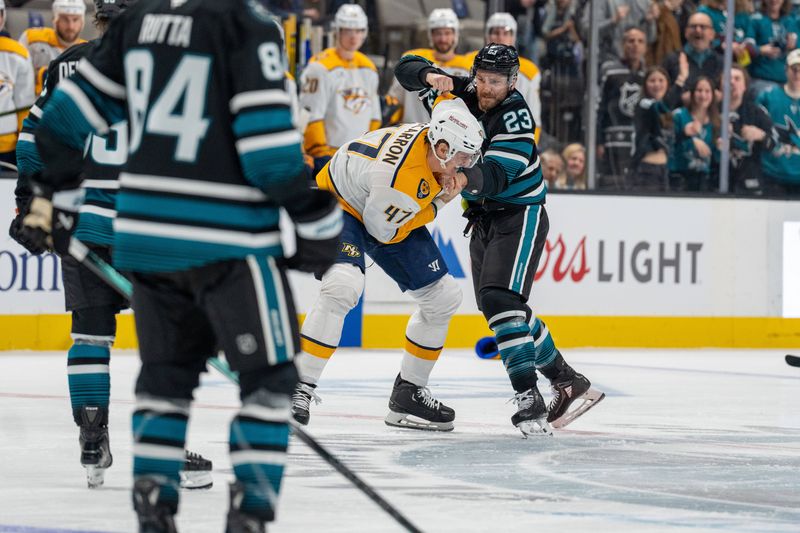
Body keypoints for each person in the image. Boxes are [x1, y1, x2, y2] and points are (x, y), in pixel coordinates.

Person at [18, 0, 343, 530]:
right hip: (227, 240)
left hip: (148, 239)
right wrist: (317, 226)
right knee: (271, 379)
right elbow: (267, 151)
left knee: (164, 379)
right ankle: (250, 514)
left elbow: (60, 125)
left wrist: (40, 197)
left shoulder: (135, 29)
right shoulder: (247, 26)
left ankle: (153, 505)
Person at [10, 0, 215, 492]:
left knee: (90, 334)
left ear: (99, 17)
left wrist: (29, 202)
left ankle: (91, 438)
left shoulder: (67, 64)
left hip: (82, 223)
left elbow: (34, 137)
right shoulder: (174, 64)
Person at [394, 44, 604, 436]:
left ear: (512, 82)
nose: (486, 88)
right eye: (482, 79)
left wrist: (460, 179)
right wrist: (429, 76)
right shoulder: (463, 91)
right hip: (483, 217)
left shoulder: (517, 120)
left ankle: (528, 397)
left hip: (518, 214)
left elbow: (494, 176)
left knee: (500, 301)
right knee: (502, 311)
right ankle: (567, 380)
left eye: (496, 81)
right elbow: (404, 67)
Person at [291, 100, 484, 431]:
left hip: (378, 202)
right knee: (343, 286)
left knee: (443, 298)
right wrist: (438, 203)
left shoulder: (433, 147)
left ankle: (409, 393)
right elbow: (383, 230)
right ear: (441, 148)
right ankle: (298, 387)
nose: (467, 165)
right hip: (339, 202)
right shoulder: (400, 180)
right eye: (462, 157)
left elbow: (446, 103)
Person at [300, 3, 380, 173]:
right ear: (338, 31)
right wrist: (320, 153)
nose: (353, 37)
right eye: (348, 30)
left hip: (360, 157)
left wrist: (372, 150)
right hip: (330, 156)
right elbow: (310, 115)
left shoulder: (368, 67)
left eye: (358, 31)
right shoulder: (320, 66)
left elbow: (374, 115)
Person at [384, 8, 471, 125]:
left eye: (447, 33)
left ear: (455, 35)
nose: (443, 39)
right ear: (431, 35)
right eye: (438, 33)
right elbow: (395, 101)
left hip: (451, 137)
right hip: (413, 134)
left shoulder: (467, 66)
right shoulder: (413, 60)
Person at [465, 12, 543, 142]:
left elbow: (533, 117)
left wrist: (528, 150)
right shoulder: (468, 62)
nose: (500, 38)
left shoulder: (529, 71)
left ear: (513, 37)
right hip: (472, 136)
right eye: (495, 32)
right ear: (487, 36)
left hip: (509, 139)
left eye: (506, 33)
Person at [596, 26, 647, 189]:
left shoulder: (648, 75)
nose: (635, 45)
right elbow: (599, 106)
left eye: (640, 41)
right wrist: (598, 140)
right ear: (623, 44)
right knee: (612, 183)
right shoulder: (609, 70)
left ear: (645, 47)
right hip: (613, 140)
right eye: (630, 41)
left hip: (638, 142)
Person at [724, 64, 776, 195]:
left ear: (745, 86)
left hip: (749, 179)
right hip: (716, 178)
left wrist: (761, 136)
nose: (732, 82)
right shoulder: (712, 110)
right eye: (728, 79)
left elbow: (774, 143)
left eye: (737, 79)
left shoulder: (756, 112)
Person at [756, 48, 800, 195]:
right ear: (786, 70)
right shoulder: (769, 96)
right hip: (773, 174)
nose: (798, 73)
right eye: (794, 69)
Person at [18, 0, 86, 94]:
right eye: (65, 19)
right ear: (55, 19)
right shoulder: (32, 39)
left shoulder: (88, 51)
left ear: (82, 22)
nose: (71, 26)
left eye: (75, 19)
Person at [669, 76, 720, 191]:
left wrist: (721, 147)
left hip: (704, 180)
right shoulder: (678, 115)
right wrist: (686, 137)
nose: (703, 95)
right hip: (679, 178)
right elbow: (668, 143)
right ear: (692, 93)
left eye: (707, 91)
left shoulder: (717, 122)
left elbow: (716, 157)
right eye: (699, 90)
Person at [662, 12, 723, 108]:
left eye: (703, 27)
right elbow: (664, 103)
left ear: (712, 34)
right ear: (686, 33)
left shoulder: (721, 63)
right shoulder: (672, 60)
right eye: (693, 27)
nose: (698, 30)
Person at [0, 0, 35, 167]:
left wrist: (24, 144)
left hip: (8, 147)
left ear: (3, 17)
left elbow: (24, 104)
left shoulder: (18, 54)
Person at [630, 66, 673, 192]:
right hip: (647, 169)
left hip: (666, 169)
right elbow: (658, 107)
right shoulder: (644, 104)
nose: (657, 84)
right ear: (645, 84)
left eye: (661, 80)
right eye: (652, 81)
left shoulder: (672, 111)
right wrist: (680, 82)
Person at [744, 0, 799, 96]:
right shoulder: (755, 20)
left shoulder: (790, 22)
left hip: (785, 80)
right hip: (761, 78)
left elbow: (796, 52)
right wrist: (760, 50)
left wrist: (793, 46)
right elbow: (746, 48)